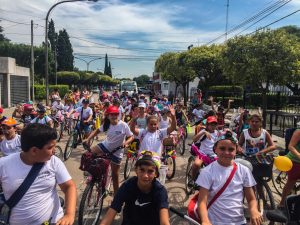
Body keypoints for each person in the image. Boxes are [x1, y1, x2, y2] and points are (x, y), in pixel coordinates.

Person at [0, 123, 77, 225]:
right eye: (50, 148)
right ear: (34, 150)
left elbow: (69, 186)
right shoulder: (4, 164)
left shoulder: (54, 162)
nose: (54, 151)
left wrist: (69, 214)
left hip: (53, 221)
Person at [196, 131, 262, 225]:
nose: (226, 153)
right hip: (214, 222)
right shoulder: (207, 172)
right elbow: (202, 202)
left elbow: (251, 199)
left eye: (231, 149)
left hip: (239, 222)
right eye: (222, 148)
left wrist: (254, 210)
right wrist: (205, 220)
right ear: (215, 149)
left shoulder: (244, 171)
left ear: (236, 150)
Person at [99, 151, 170, 225]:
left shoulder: (160, 191)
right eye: (142, 170)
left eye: (150, 171)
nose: (145, 175)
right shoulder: (127, 186)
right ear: (136, 170)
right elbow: (111, 212)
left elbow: (164, 221)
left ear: (156, 174)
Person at [84, 105, 134, 194]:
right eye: (112, 114)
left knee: (115, 175)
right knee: (88, 154)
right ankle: (91, 174)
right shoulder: (106, 124)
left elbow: (131, 136)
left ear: (118, 115)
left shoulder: (123, 125)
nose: (114, 116)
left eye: (116, 114)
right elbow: (97, 131)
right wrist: (88, 138)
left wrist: (125, 143)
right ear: (108, 116)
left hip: (117, 151)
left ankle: (116, 196)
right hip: (105, 146)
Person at [278, 128, 300, 208]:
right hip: (294, 161)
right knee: (291, 182)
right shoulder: (298, 131)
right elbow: (290, 146)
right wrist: (298, 155)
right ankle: (282, 203)